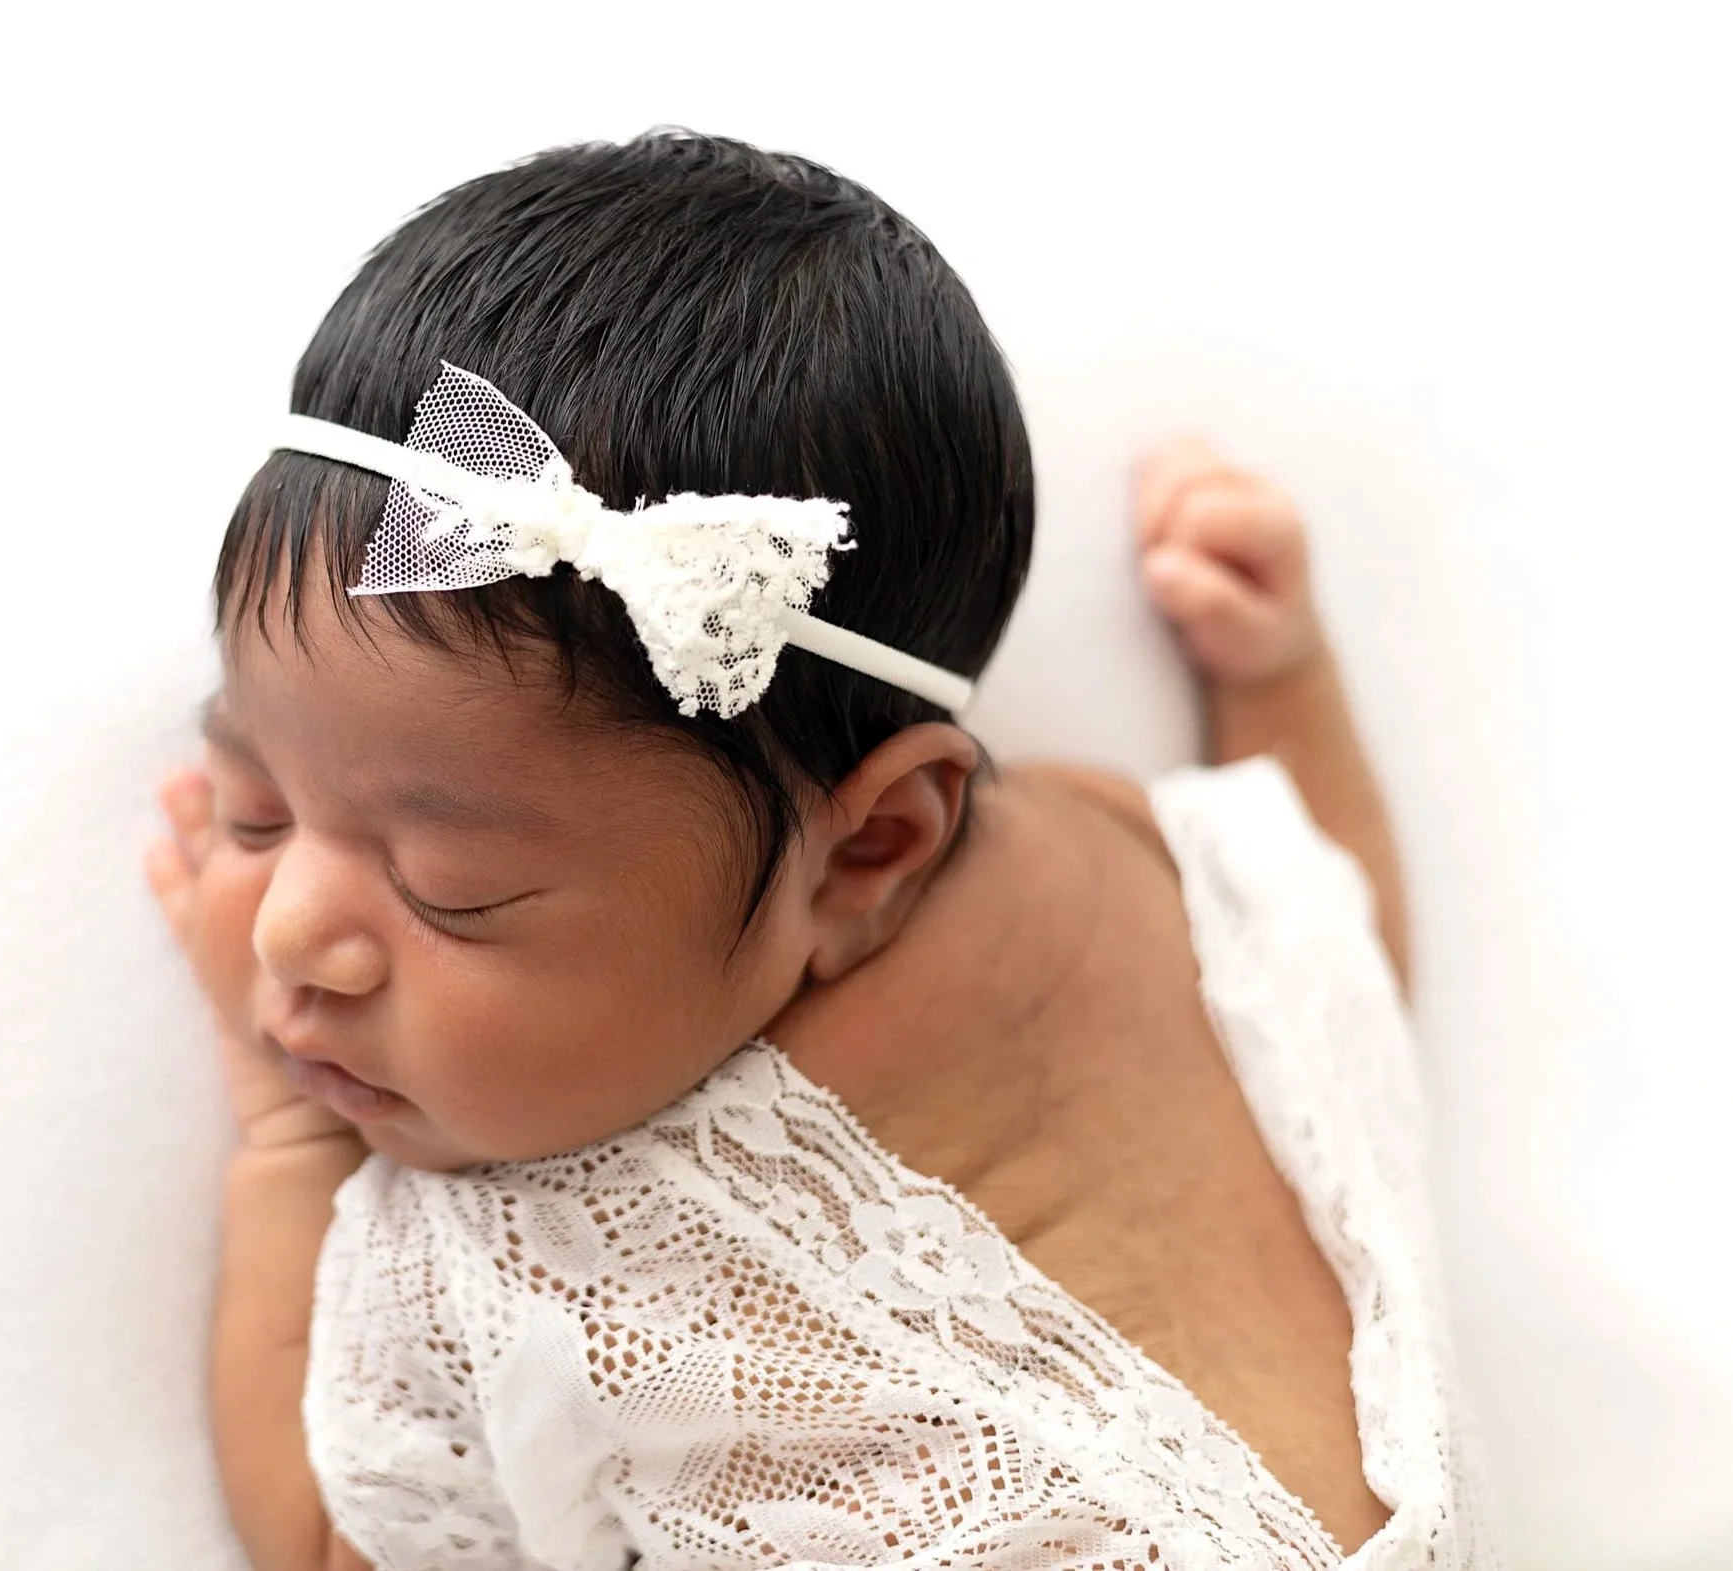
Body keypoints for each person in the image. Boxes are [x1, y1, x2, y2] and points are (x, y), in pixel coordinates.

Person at [144, 131, 1496, 1570]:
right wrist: (1281, 684)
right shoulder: (1131, 860)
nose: (289, 931)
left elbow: (330, 1542)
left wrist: (290, 1146)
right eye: (254, 808)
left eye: (448, 890)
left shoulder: (517, 1267)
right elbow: (1331, 964)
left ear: (871, 850)